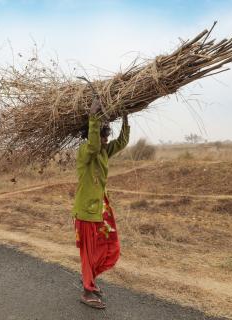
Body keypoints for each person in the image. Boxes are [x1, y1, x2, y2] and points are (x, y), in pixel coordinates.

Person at [72, 97, 130, 309]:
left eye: (107, 135)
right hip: (86, 211)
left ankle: (90, 279)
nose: (106, 139)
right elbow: (94, 146)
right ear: (92, 135)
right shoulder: (85, 152)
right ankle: (87, 291)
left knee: (108, 246)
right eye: (103, 135)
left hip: (101, 209)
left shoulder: (104, 151)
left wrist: (125, 119)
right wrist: (94, 118)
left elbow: (122, 142)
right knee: (89, 253)